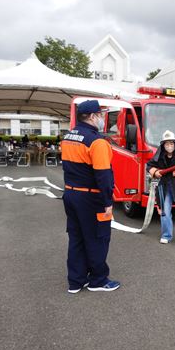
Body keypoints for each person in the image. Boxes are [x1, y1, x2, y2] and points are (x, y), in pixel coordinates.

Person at [60, 99, 120, 293]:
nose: (103, 119)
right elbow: (103, 175)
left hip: (71, 194)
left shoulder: (68, 137)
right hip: (91, 199)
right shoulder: (97, 142)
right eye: (101, 115)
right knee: (98, 238)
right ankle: (98, 280)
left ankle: (76, 281)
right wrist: (107, 202)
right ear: (93, 116)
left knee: (76, 238)